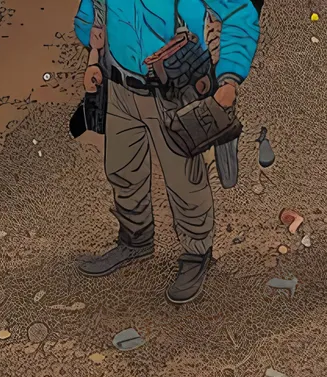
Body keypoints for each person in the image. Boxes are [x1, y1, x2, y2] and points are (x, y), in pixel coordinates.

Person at [73, 0, 261, 304]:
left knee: (184, 180)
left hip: (172, 97)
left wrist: (228, 79)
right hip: (119, 87)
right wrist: (94, 59)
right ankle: (135, 239)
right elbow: (93, 14)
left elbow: (240, 12)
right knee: (122, 170)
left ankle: (197, 254)